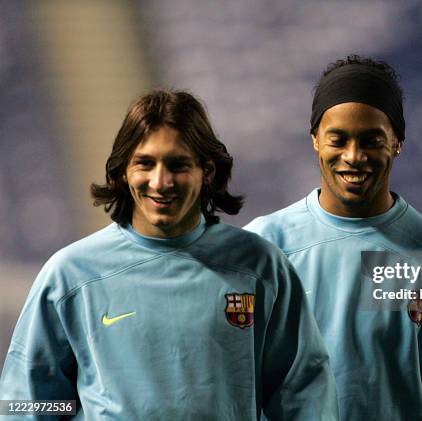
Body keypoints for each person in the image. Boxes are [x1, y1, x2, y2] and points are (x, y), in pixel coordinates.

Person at [0, 90, 338, 420]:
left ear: (207, 171)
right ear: (122, 171)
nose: (160, 182)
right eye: (145, 164)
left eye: (177, 165)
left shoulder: (259, 266)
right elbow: (25, 403)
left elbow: (303, 395)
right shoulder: (71, 276)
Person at [245, 55, 422, 420]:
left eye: (372, 140)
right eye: (338, 139)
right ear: (315, 140)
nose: (354, 156)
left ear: (397, 142)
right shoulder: (263, 247)